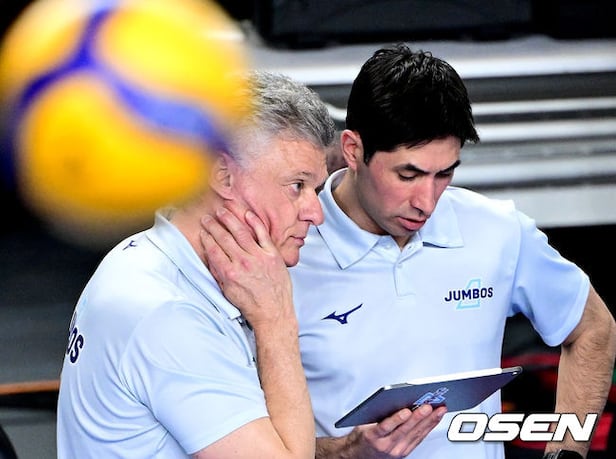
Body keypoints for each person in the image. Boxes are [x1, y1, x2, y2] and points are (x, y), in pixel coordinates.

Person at [286, 44, 616, 459]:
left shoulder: (499, 231)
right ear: (353, 150)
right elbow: (240, 439)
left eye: (444, 173)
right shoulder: (286, 253)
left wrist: (565, 452)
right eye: (408, 174)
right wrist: (347, 452)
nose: (427, 201)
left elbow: (593, 329)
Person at [56, 70, 338, 458]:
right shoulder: (169, 315)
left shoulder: (143, 258)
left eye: (317, 189)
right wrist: (277, 320)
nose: (316, 213)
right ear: (223, 176)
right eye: (297, 186)